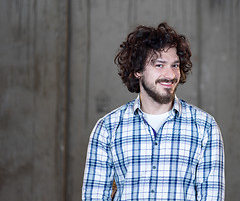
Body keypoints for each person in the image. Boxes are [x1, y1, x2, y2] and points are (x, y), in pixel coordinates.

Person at [82, 23, 225, 200]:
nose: (171, 74)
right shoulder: (108, 128)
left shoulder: (205, 127)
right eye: (159, 65)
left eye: (175, 65)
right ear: (137, 71)